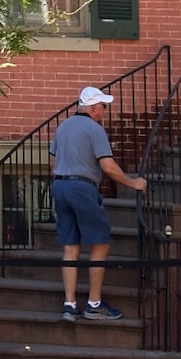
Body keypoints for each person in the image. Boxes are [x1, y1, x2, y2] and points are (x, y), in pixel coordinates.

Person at [50, 85, 147, 322]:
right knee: (100, 241)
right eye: (102, 107)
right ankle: (94, 303)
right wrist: (133, 183)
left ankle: (69, 304)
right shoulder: (94, 130)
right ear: (93, 108)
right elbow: (108, 167)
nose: (104, 111)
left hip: (60, 186)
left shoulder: (62, 128)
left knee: (71, 247)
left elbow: (52, 163)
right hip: (83, 188)